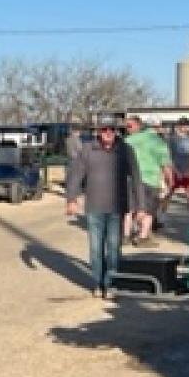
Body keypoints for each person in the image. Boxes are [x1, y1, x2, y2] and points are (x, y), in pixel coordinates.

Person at [65, 115, 142, 296]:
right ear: (98, 132)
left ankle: (111, 283)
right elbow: (76, 175)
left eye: (111, 130)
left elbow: (136, 178)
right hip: (94, 206)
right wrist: (71, 199)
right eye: (104, 130)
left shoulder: (125, 150)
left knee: (114, 248)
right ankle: (97, 283)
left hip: (117, 207)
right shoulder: (88, 149)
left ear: (116, 131)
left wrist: (141, 206)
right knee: (96, 248)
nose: (108, 133)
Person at [124, 115, 173, 246]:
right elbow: (165, 165)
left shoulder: (128, 140)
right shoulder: (159, 142)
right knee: (149, 210)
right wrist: (170, 181)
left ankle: (125, 235)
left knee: (129, 208)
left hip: (130, 178)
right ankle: (143, 237)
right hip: (150, 179)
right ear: (159, 127)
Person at [161, 118, 189, 213]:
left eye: (188, 126)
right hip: (174, 170)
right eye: (184, 126)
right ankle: (162, 214)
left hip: (187, 170)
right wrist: (176, 171)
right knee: (169, 193)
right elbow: (169, 157)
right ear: (179, 126)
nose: (186, 128)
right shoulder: (171, 139)